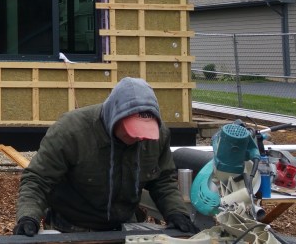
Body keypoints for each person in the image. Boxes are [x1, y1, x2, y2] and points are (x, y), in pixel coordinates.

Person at [14, 77, 198, 236]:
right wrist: (28, 217)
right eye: (133, 130)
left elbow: (162, 180)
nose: (139, 137)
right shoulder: (71, 132)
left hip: (124, 225)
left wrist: (176, 212)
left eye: (144, 132)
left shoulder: (157, 137)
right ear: (114, 116)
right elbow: (38, 179)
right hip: (71, 227)